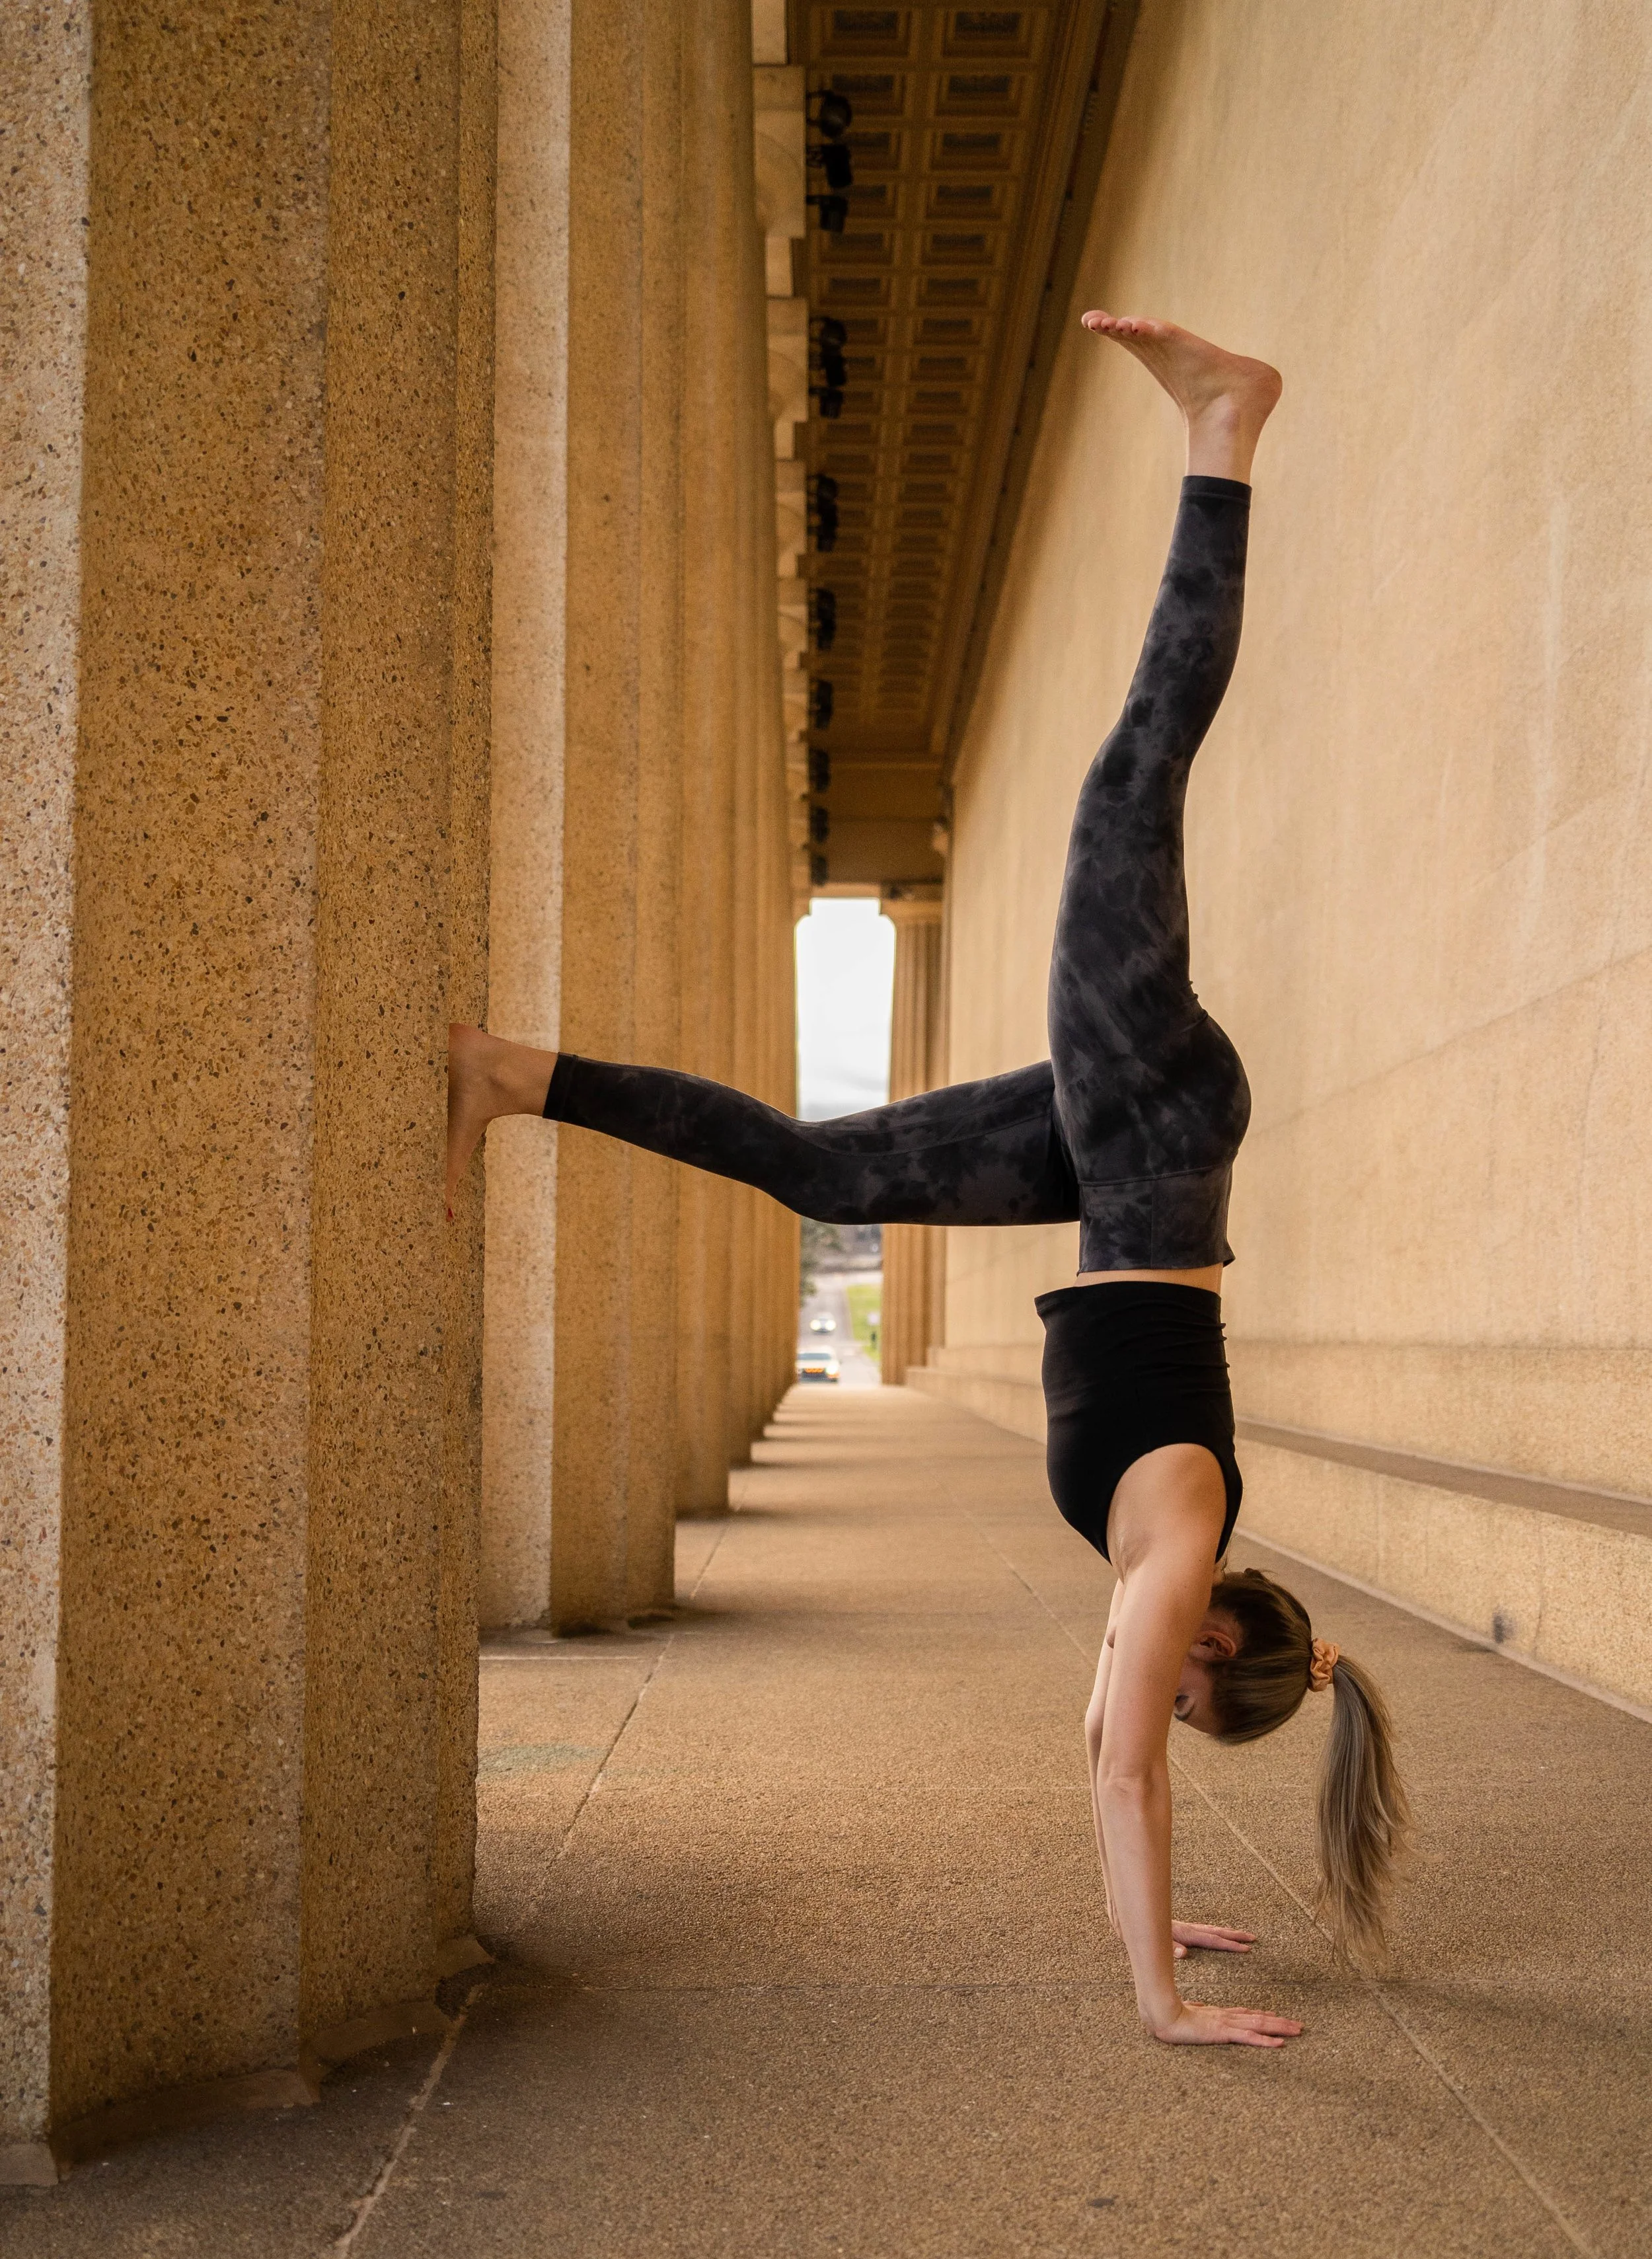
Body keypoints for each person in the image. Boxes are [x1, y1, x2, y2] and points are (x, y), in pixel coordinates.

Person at [447, 311, 1408, 2049]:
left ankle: (515, 1077)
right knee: (1129, 790)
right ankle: (1223, 430)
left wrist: (1161, 1902)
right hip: (1151, 1138)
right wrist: (1159, 1997)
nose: (1151, 1712)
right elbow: (1118, 1764)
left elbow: (1106, 1761)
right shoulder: (1181, 1545)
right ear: (1215, 1662)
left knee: (820, 1165)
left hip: (1115, 1167)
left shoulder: (1168, 1567)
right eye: (1187, 1712)